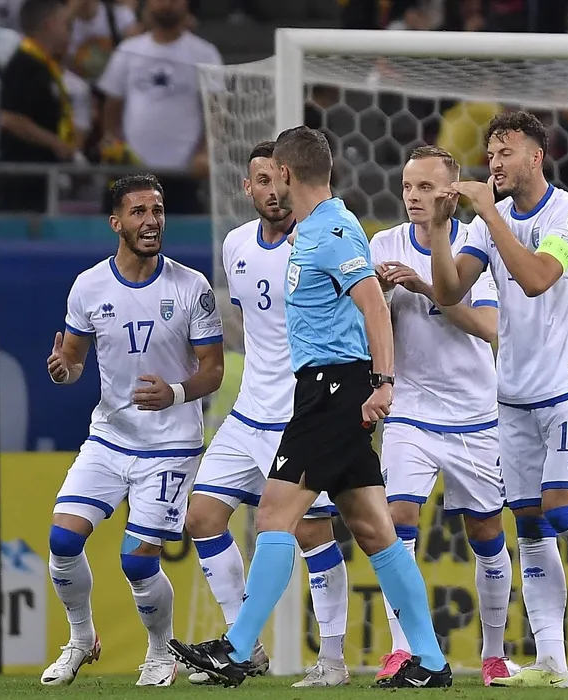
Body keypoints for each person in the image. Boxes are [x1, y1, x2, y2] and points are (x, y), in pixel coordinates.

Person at [167, 126, 452, 688]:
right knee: (373, 529)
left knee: (275, 516)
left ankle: (237, 648)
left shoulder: (333, 232)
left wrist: (383, 383)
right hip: (326, 388)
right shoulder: (316, 228)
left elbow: (374, 306)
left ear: (286, 174)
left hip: (334, 390)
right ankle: (431, 661)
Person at [429, 110, 568, 688]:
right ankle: (552, 663)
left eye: (506, 152)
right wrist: (441, 231)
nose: (495, 163)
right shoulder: (490, 221)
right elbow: (450, 290)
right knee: (529, 526)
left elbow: (535, 278)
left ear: (536, 156)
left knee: (564, 512)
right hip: (513, 394)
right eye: (490, 154)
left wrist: (486, 215)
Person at [42, 174, 225, 687]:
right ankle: (82, 639)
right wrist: (63, 371)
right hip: (110, 436)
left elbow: (213, 369)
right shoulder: (89, 286)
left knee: (137, 563)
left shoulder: (191, 286)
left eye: (157, 210)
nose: (151, 221)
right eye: (139, 212)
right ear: (116, 222)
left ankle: (161, 653)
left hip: (171, 444)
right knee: (62, 540)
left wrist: (176, 393)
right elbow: (73, 361)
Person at [183, 141, 350, 688]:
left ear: (290, 179)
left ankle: (332, 660)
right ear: (247, 188)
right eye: (260, 181)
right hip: (248, 411)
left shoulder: (321, 239)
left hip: (300, 414)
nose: (272, 191)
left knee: (313, 535)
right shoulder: (235, 244)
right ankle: (244, 645)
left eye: (278, 179)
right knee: (202, 517)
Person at [369, 145, 513, 686]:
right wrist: (378, 295)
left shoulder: (478, 243)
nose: (414, 196)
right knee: (396, 520)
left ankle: (493, 653)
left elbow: (490, 328)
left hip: (474, 412)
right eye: (409, 186)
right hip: (410, 409)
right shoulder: (383, 244)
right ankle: (403, 649)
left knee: (486, 532)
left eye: (427, 187)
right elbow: (365, 322)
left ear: (451, 193)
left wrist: (426, 287)